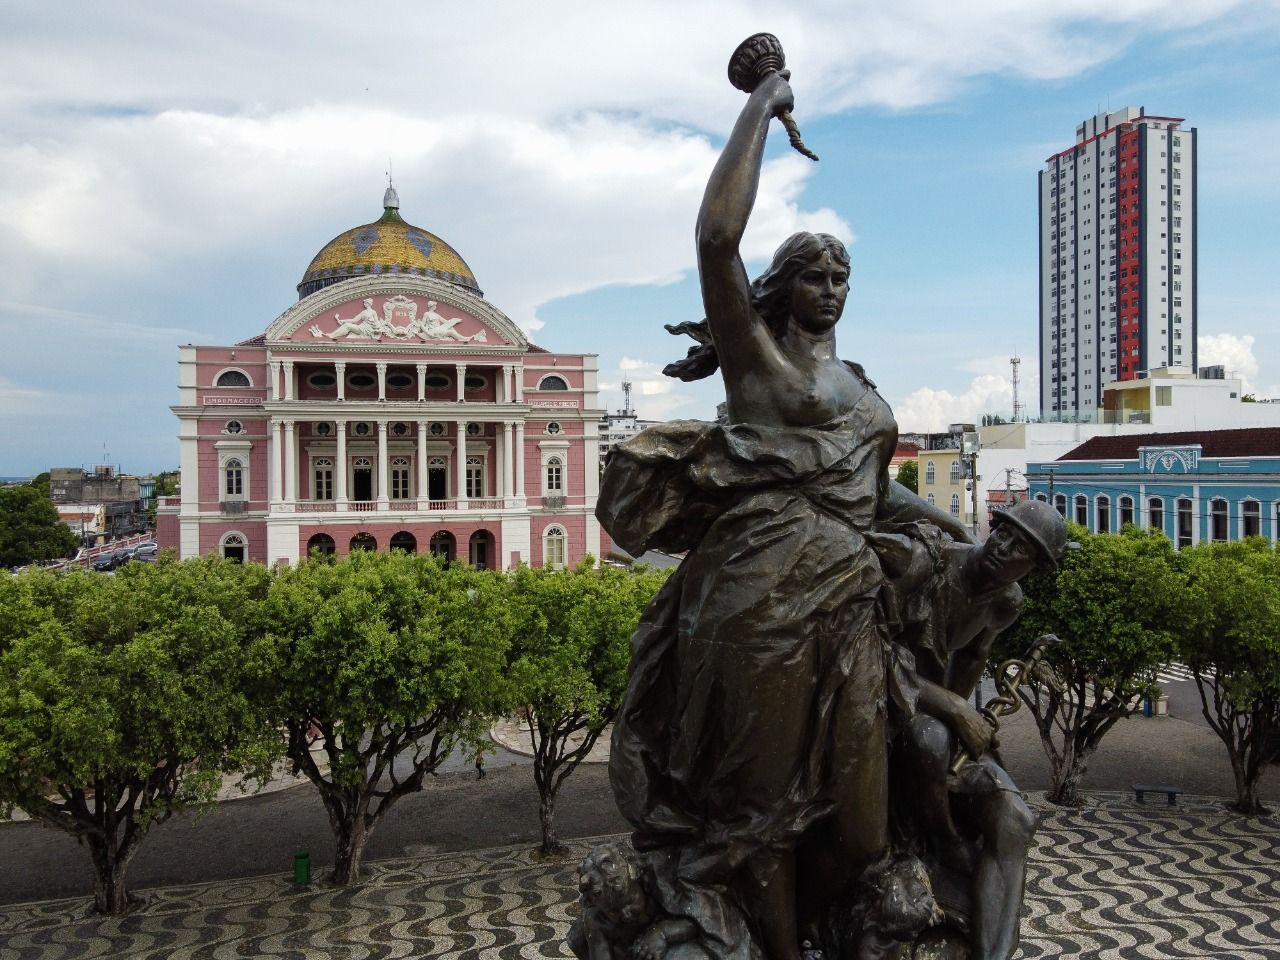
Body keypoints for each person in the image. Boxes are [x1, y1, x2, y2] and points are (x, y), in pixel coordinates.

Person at [599, 70, 972, 960]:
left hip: (847, 604)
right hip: (755, 603)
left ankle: (827, 922)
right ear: (786, 286)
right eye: (815, 274)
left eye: (844, 274)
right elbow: (716, 238)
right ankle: (776, 947)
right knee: (757, 808)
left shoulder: (860, 386)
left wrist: (950, 527)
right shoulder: (760, 366)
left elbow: (873, 487)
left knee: (865, 827)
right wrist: (761, 105)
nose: (833, 287)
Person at [883, 500, 1071, 960]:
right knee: (930, 740)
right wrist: (952, 710)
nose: (1003, 547)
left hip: (935, 711)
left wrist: (966, 718)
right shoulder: (930, 566)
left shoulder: (1007, 604)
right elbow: (872, 651)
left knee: (1016, 820)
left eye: (1020, 548)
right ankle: (945, 844)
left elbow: (971, 660)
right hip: (884, 701)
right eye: (1003, 533)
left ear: (1034, 567)